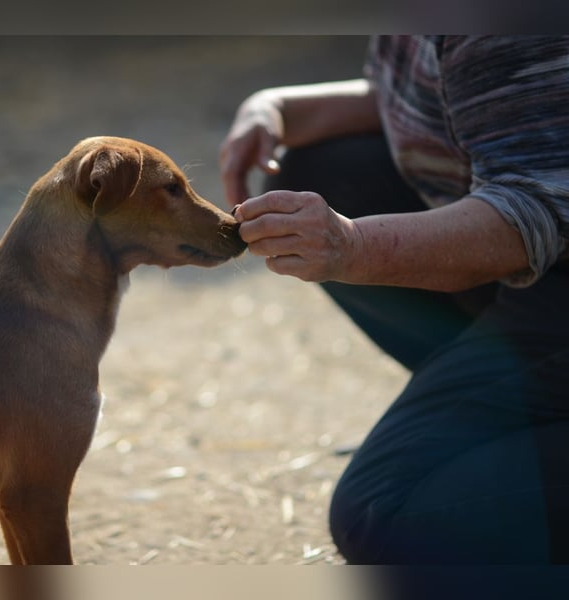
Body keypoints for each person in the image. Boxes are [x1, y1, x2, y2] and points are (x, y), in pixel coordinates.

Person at [219, 35, 569, 564]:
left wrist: (353, 245)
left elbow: (537, 211)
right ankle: (506, 426)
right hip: (541, 269)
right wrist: (276, 108)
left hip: (554, 268)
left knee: (384, 512)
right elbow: (444, 95)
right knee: (324, 165)